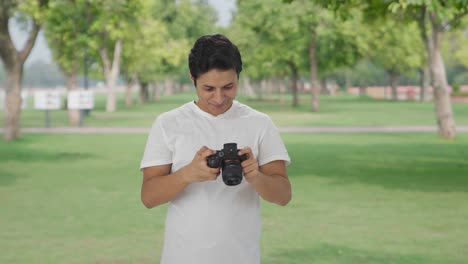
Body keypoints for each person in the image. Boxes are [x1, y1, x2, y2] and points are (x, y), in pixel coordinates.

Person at [140, 34, 291, 264]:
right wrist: (187, 174)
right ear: (193, 78)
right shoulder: (168, 124)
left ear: (238, 77)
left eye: (228, 87)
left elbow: (283, 195)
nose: (219, 98)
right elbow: (149, 197)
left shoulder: (260, 123)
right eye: (208, 88)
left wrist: (255, 176)